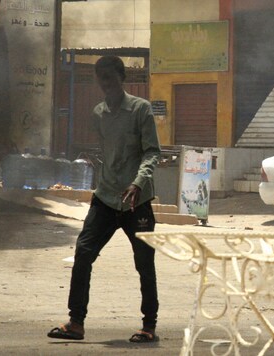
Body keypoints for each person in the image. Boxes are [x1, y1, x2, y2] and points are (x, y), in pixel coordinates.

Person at [48, 56, 162, 343]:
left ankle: (149, 326)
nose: (104, 83)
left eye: (109, 77)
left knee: (144, 264)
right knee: (83, 253)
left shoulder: (141, 110)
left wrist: (138, 182)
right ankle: (76, 323)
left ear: (121, 78)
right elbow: (106, 152)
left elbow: (152, 152)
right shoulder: (98, 113)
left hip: (137, 201)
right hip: (106, 197)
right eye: (100, 78)